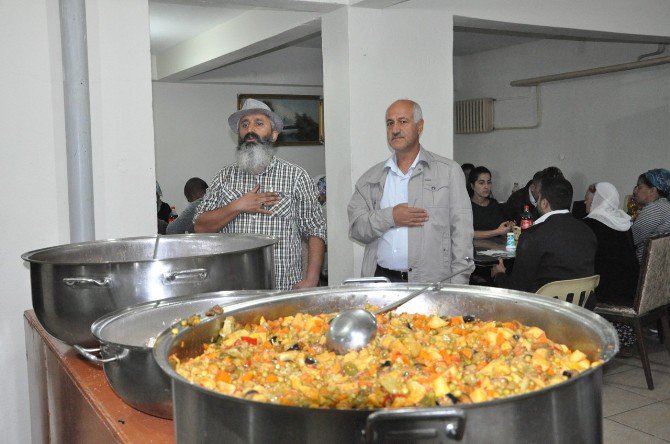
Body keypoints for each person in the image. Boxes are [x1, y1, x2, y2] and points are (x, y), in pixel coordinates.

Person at [194, 98, 326, 290]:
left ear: (273, 135)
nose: (250, 130)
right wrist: (238, 206)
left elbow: (316, 229)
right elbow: (200, 226)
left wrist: (312, 279)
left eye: (259, 123)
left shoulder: (295, 176)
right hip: (234, 290)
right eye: (244, 124)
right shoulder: (225, 176)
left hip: (282, 289)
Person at [348, 99, 473, 284]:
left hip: (430, 285)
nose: (395, 129)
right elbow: (356, 228)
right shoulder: (371, 178)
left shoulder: (448, 172)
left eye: (403, 121)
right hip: (381, 283)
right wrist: (391, 217)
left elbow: (462, 235)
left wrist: (458, 287)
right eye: (390, 123)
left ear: (420, 126)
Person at [492, 176, 597, 294]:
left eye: (538, 198)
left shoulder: (532, 235)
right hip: (580, 307)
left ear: (544, 203)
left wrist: (499, 274)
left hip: (546, 308)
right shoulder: (588, 231)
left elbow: (517, 290)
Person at [583, 182, 639, 353]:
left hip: (607, 291)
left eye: (587, 200)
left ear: (597, 201)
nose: (585, 203)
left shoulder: (591, 225)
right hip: (630, 289)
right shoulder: (624, 222)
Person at [631, 168, 670, 262]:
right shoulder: (665, 206)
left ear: (652, 190)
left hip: (643, 268)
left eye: (639, 187)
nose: (635, 191)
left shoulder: (656, 208)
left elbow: (630, 240)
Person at [468, 166, 514, 239]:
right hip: (475, 248)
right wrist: (497, 232)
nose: (486, 186)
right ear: (472, 186)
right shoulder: (467, 206)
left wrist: (508, 227)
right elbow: (468, 234)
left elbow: (502, 228)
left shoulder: (493, 204)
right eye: (481, 183)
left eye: (489, 182)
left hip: (496, 246)